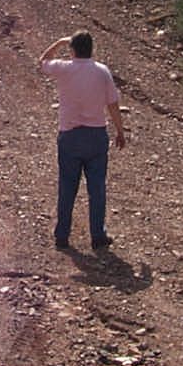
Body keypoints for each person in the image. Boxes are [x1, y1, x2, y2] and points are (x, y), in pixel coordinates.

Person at [38, 30, 125, 251]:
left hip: (70, 135)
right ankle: (98, 235)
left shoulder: (64, 68)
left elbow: (43, 61)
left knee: (67, 187)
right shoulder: (102, 71)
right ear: (92, 49)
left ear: (73, 49)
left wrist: (59, 41)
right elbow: (112, 104)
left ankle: (62, 235)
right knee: (97, 188)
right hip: (96, 135)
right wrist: (120, 131)